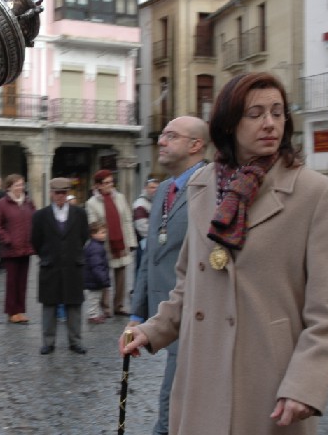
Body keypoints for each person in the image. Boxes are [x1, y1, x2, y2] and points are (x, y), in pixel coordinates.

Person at [121, 72, 328, 434]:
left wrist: (305, 385)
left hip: (268, 383)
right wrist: (155, 328)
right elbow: (188, 283)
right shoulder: (200, 186)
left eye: (277, 112)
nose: (270, 123)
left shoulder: (315, 193)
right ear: (229, 123)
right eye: (255, 113)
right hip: (200, 375)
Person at [128, 116, 208, 435]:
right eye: (162, 135)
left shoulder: (210, 187)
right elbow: (150, 255)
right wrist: (137, 312)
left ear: (195, 145)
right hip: (162, 313)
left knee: (173, 393)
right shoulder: (163, 189)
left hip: (194, 312)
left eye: (170, 136)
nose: (161, 141)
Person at [32, 178, 89, 354]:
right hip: (50, 265)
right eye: (57, 193)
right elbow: (35, 241)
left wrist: (73, 253)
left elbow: (83, 236)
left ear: (67, 193)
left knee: (74, 305)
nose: (60, 196)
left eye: (63, 193)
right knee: (49, 305)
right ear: (51, 193)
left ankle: (75, 341)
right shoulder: (40, 216)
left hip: (73, 265)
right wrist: (47, 255)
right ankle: (48, 342)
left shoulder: (80, 214)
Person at [85, 170, 136, 316]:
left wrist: (131, 241)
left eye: (112, 182)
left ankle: (119, 305)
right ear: (98, 186)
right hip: (104, 244)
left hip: (121, 242)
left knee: (121, 275)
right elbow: (93, 224)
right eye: (106, 183)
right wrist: (99, 237)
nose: (110, 185)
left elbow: (126, 219)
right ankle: (105, 307)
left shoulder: (120, 198)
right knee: (103, 274)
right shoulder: (92, 203)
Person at [0, 173, 35, 324]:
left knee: (23, 282)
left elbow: (34, 220)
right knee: (12, 282)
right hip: (11, 249)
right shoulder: (1, 204)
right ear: (9, 187)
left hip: (26, 248)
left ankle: (20, 310)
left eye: (22, 184)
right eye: (17, 185)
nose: (20, 187)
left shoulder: (28, 202)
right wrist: (7, 239)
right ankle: (12, 312)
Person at [83, 221, 110, 324]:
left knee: (96, 297)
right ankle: (92, 315)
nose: (105, 235)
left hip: (94, 279)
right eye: (102, 232)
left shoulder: (96, 246)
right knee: (93, 298)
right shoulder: (96, 248)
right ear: (93, 234)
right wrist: (103, 279)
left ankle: (96, 314)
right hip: (94, 280)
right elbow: (97, 266)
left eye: (105, 232)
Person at [131, 178, 158, 278]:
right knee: (142, 268)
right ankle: (138, 291)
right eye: (152, 187)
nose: (154, 189)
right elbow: (142, 227)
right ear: (145, 188)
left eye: (156, 187)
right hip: (143, 242)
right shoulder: (140, 204)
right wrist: (156, 235)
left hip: (150, 240)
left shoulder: (154, 201)